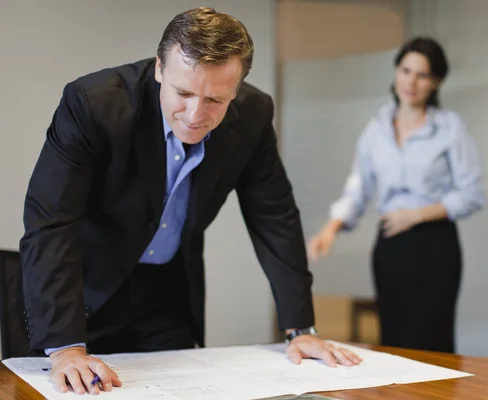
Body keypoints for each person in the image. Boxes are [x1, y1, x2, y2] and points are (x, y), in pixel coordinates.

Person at [19, 7, 361, 395]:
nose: (196, 115)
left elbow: (275, 217)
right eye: (183, 93)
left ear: (237, 87)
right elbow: (51, 223)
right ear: (159, 69)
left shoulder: (253, 114)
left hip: (168, 295)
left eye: (216, 99)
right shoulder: (93, 105)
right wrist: (66, 350)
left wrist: (300, 328)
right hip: (81, 291)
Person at [308, 37, 485, 354]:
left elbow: (471, 193)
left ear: (436, 82)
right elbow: (358, 187)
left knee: (432, 341)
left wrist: (417, 215)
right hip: (391, 246)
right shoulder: (375, 131)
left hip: (436, 245)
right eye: (406, 71)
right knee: (394, 340)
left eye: (422, 75)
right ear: (396, 72)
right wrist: (329, 229)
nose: (411, 82)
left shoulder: (449, 128)